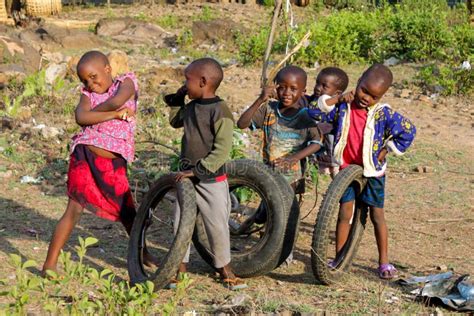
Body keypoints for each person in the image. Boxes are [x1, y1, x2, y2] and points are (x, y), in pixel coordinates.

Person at [42, 51, 156, 275]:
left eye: (94, 77)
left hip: (112, 164)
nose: (91, 84)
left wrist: (94, 113)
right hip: (84, 155)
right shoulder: (87, 94)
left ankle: (144, 255)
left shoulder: (126, 83)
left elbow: (115, 101)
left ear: (107, 69)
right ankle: (49, 264)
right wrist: (113, 115)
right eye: (85, 80)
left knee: (127, 212)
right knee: (73, 208)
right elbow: (80, 118)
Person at [309, 64, 416, 279]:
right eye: (364, 90)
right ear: (358, 84)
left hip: (372, 173)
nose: (366, 98)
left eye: (374, 96)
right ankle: (340, 258)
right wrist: (337, 99)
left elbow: (409, 130)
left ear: (382, 96)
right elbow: (315, 112)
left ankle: (384, 261)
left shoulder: (384, 114)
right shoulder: (343, 107)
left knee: (377, 216)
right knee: (344, 214)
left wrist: (387, 149)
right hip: (346, 168)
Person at [165, 57, 246, 290]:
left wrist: (197, 171)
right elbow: (175, 122)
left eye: (186, 80)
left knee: (217, 226)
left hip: (211, 180)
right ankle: (179, 270)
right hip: (186, 179)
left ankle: (225, 270)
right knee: (181, 224)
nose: (184, 83)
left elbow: (221, 151)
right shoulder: (191, 107)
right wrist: (178, 99)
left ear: (202, 82)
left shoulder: (220, 112)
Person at [237, 65, 324, 224]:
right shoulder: (268, 109)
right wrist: (260, 99)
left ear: (303, 91)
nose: (286, 93)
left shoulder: (304, 116)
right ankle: (256, 225)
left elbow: (317, 143)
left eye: (293, 89)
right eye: (281, 87)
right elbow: (242, 124)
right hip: (269, 171)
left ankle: (284, 247)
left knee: (282, 215)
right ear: (274, 87)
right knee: (265, 215)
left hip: (291, 176)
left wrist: (293, 158)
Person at [309, 67, 351, 178]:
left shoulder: (340, 106)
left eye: (324, 86)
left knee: (337, 179)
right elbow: (314, 111)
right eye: (317, 83)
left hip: (333, 150)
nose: (318, 88)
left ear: (337, 93)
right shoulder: (314, 101)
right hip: (316, 149)